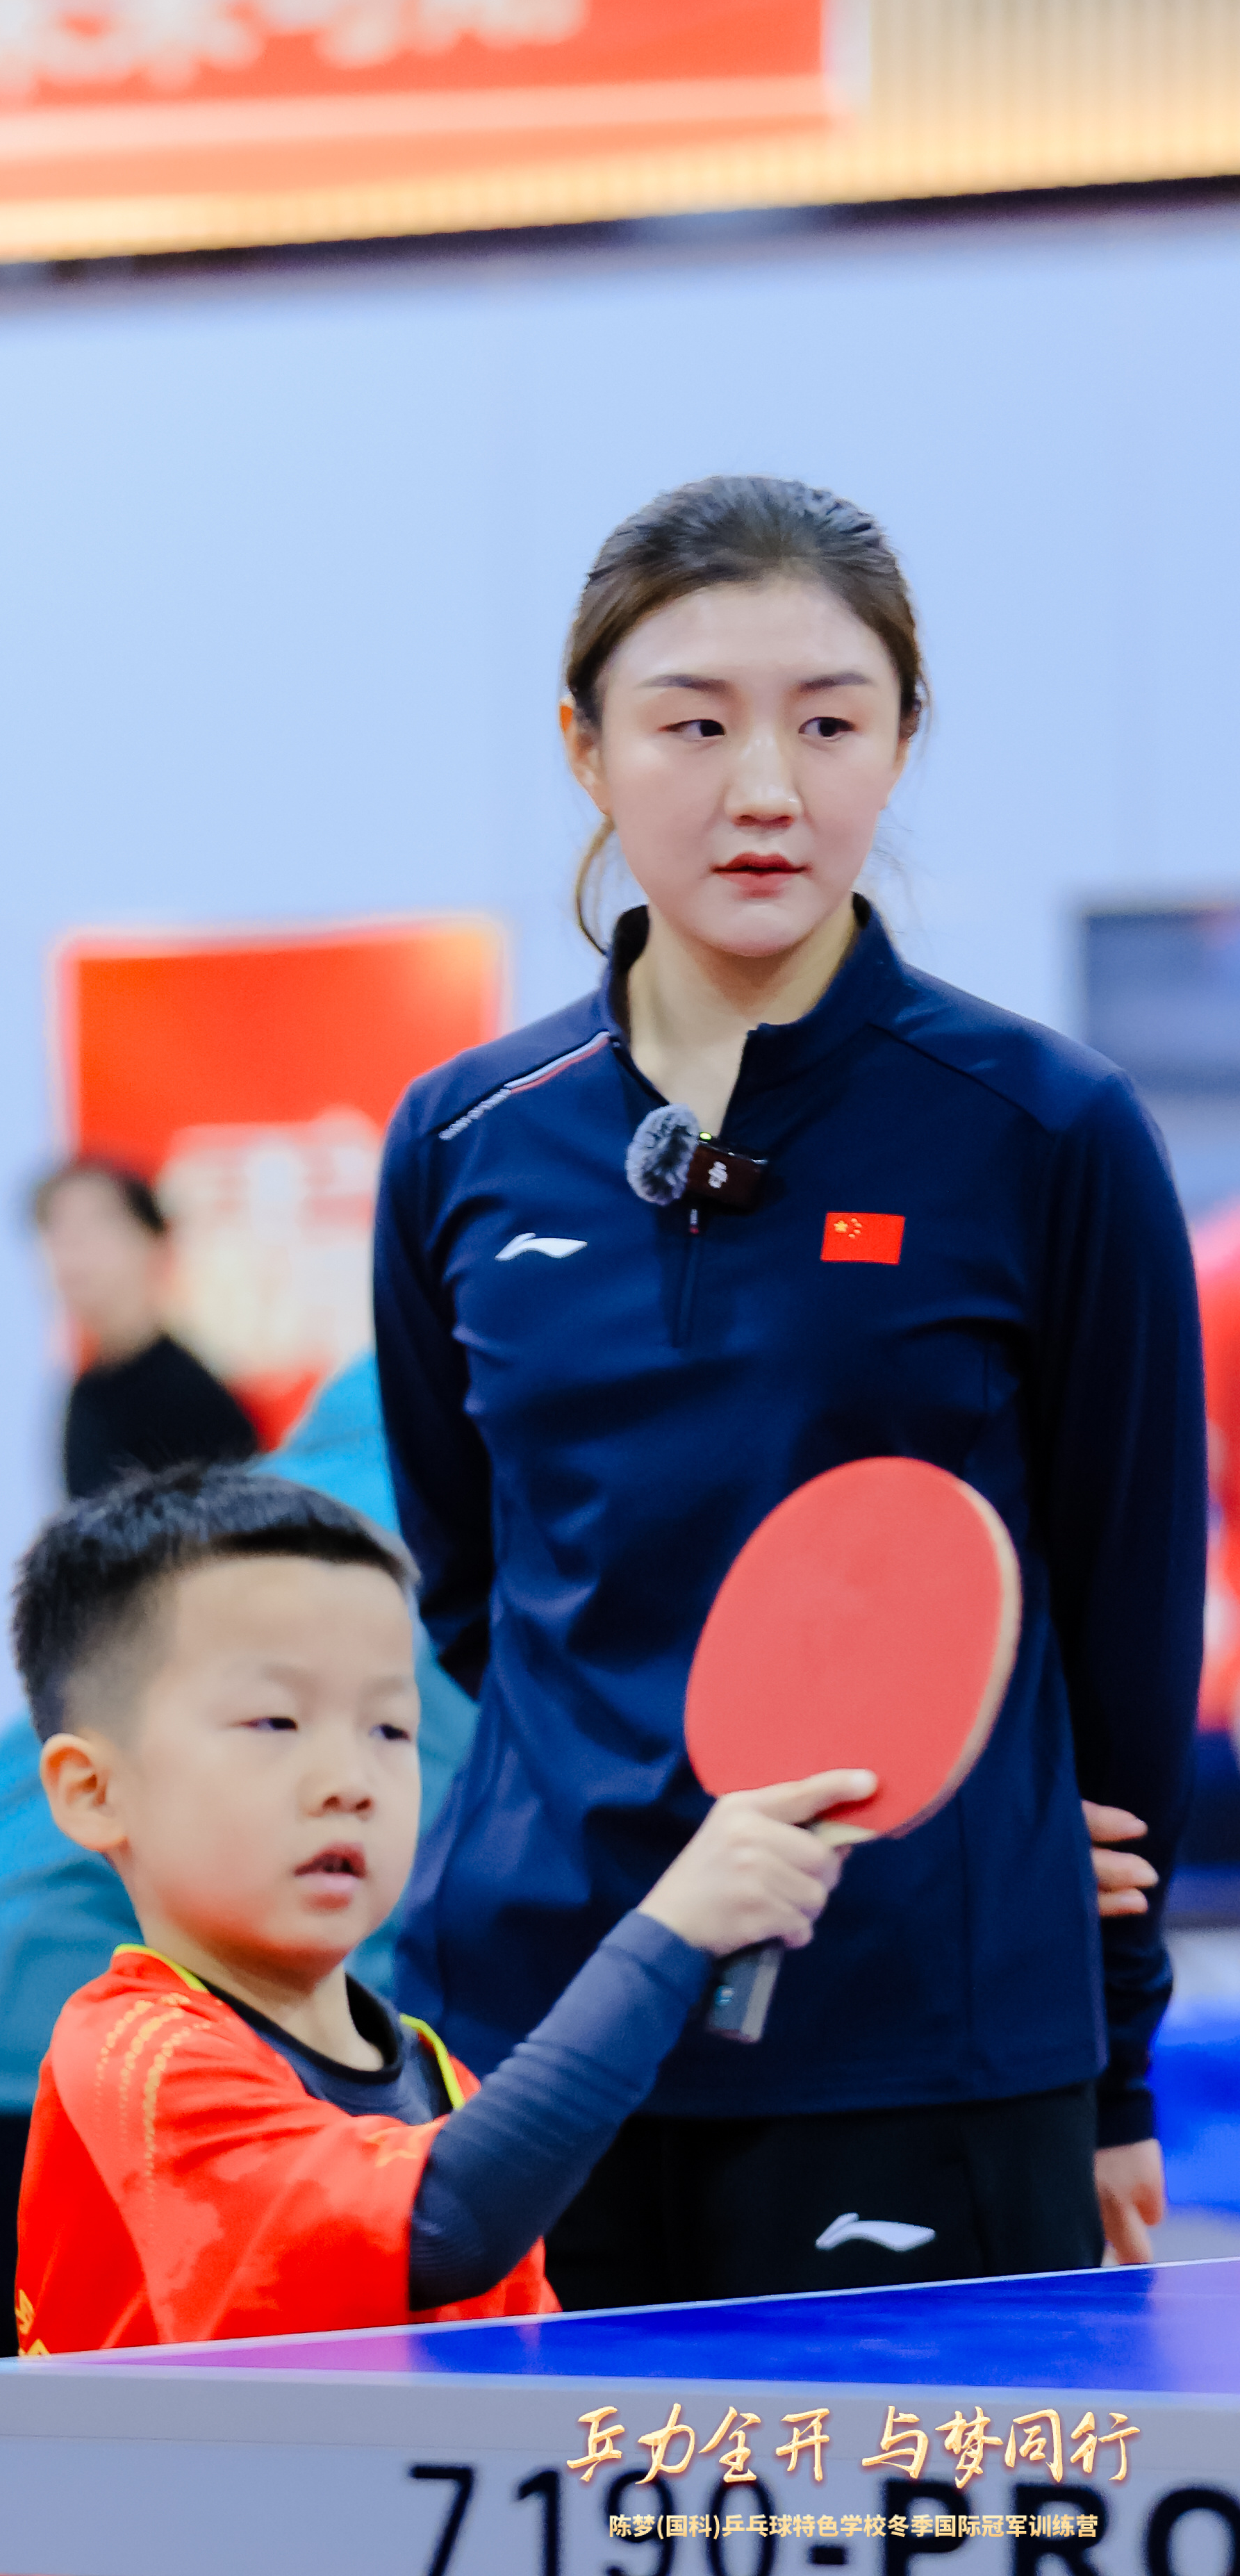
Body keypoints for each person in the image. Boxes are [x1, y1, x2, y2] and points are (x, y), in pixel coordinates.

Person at [373, 474, 1203, 2305]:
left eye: (830, 723)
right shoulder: (461, 1140)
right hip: (530, 2039)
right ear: (586, 749)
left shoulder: (1046, 1133)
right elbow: (476, 1591)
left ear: (901, 742)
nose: (767, 787)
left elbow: (1125, 1642)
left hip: (921, 2040)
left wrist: (1114, 2074)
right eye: (694, 725)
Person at [10, 1464, 870, 2352]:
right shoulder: (141, 2059)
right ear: (93, 1791)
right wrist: (673, 1936)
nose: (350, 1782)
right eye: (274, 1723)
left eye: (389, 1729)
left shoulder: (443, 2080)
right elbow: (445, 2225)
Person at [0, 1353, 473, 2365]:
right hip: (38, 2033)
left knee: (12, 2429)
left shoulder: (278, 1511)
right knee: (140, 2429)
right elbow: (404, 1916)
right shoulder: (411, 1572)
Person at [33, 1157, 257, 1498]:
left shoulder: (189, 1401)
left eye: (96, 1224)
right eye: (56, 1229)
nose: (72, 1247)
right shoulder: (91, 1390)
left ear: (155, 1243)